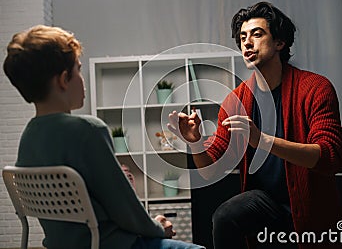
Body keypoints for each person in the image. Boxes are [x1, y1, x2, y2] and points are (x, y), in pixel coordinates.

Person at [3, 25, 204, 249]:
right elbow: (126, 210)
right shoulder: (88, 130)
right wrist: (157, 227)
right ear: (63, 79)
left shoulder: (28, 137)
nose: (82, 79)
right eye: (78, 70)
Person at [168, 2, 342, 249]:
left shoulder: (315, 88)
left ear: (279, 43)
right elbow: (211, 170)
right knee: (226, 215)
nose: (247, 43)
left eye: (257, 34)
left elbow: (330, 157)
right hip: (266, 207)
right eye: (242, 37)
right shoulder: (236, 100)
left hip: (311, 208)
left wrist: (262, 140)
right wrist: (195, 142)